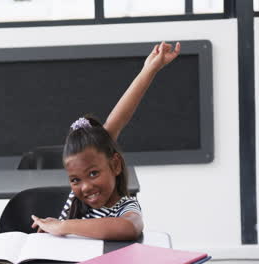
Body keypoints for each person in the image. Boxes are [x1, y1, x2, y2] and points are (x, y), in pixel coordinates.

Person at [31, 41, 181, 240]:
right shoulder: (78, 200)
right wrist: (56, 228)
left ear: (115, 165)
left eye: (93, 173)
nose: (85, 186)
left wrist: (149, 69)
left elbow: (128, 228)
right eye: (75, 179)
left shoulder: (126, 208)